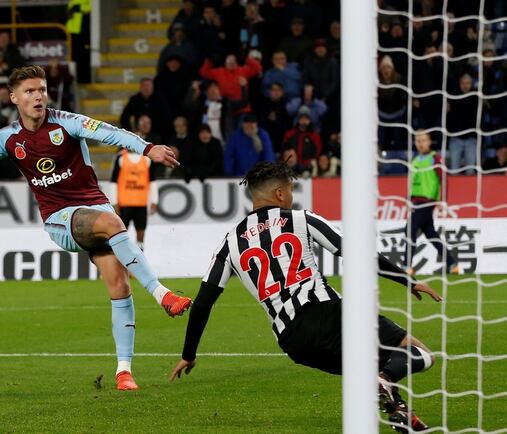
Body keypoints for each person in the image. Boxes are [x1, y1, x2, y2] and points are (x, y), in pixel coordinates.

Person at [0, 65, 192, 391]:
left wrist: (147, 148)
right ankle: (162, 293)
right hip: (59, 219)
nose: (38, 96)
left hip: (94, 209)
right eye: (29, 91)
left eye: (41, 89)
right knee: (113, 223)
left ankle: (124, 371)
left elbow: (111, 133)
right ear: (14, 98)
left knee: (119, 285)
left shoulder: (67, 122)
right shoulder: (7, 138)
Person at [169, 161, 442, 432]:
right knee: (417, 352)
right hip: (327, 313)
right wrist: (407, 281)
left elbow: (203, 302)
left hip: (293, 340)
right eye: (290, 190)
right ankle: (388, 384)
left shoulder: (230, 242)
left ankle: (400, 413)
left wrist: (189, 354)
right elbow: (355, 251)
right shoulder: (300, 219)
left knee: (370, 367)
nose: (291, 196)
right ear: (279, 193)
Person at [406, 130, 458, 275]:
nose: (420, 144)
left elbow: (444, 179)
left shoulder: (435, 158)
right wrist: (408, 198)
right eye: (418, 141)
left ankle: (406, 266)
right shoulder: (415, 161)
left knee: (410, 230)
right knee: (430, 233)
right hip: (416, 200)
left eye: (423, 140)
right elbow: (412, 182)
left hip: (427, 200)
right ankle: (452, 263)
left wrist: (443, 200)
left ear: (429, 142)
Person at [109, 129, 158, 251]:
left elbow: (152, 181)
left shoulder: (147, 159)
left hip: (140, 203)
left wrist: (154, 201)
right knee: (120, 231)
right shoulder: (120, 158)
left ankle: (140, 253)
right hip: (124, 204)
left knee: (141, 231)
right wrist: (114, 202)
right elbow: (113, 182)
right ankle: (121, 255)